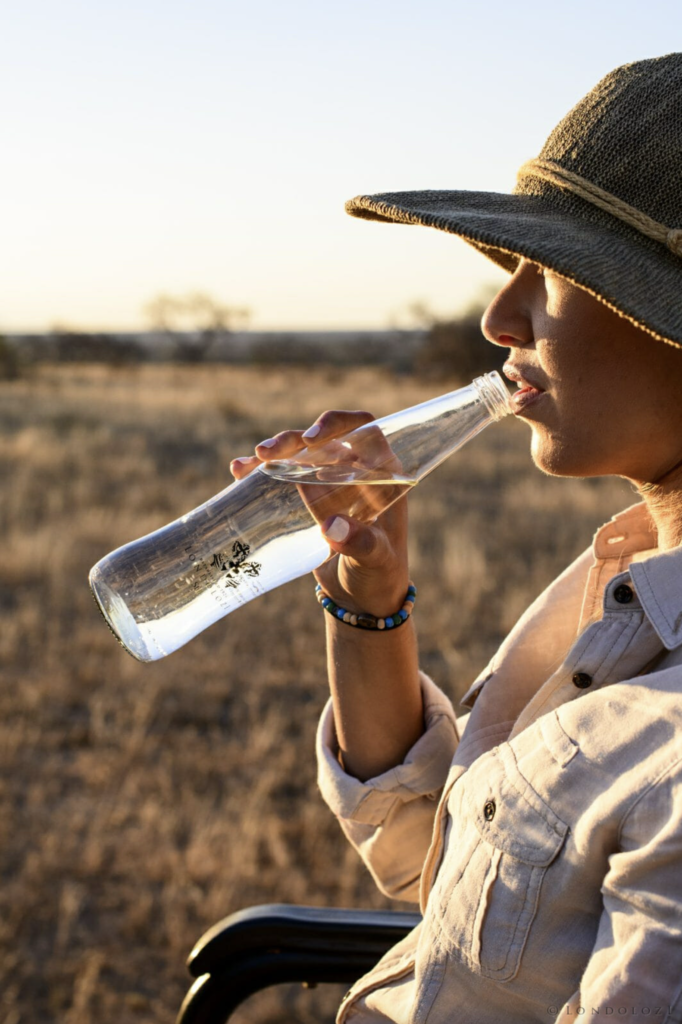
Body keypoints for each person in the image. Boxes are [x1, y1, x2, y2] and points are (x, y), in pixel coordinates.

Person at [230, 53, 682, 1022]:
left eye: (551, 271)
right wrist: (368, 585)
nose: (496, 315)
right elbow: (439, 860)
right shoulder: (624, 584)